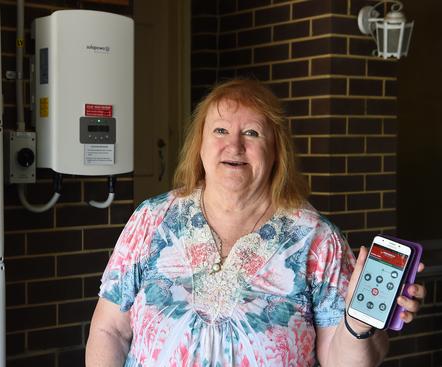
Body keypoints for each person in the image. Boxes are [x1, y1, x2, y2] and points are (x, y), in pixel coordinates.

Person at [86, 79, 426, 366]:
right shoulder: (152, 219)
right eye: (220, 130)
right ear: (200, 146)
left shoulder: (317, 239)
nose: (234, 145)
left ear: (276, 150)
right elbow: (109, 331)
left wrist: (358, 322)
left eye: (252, 133)